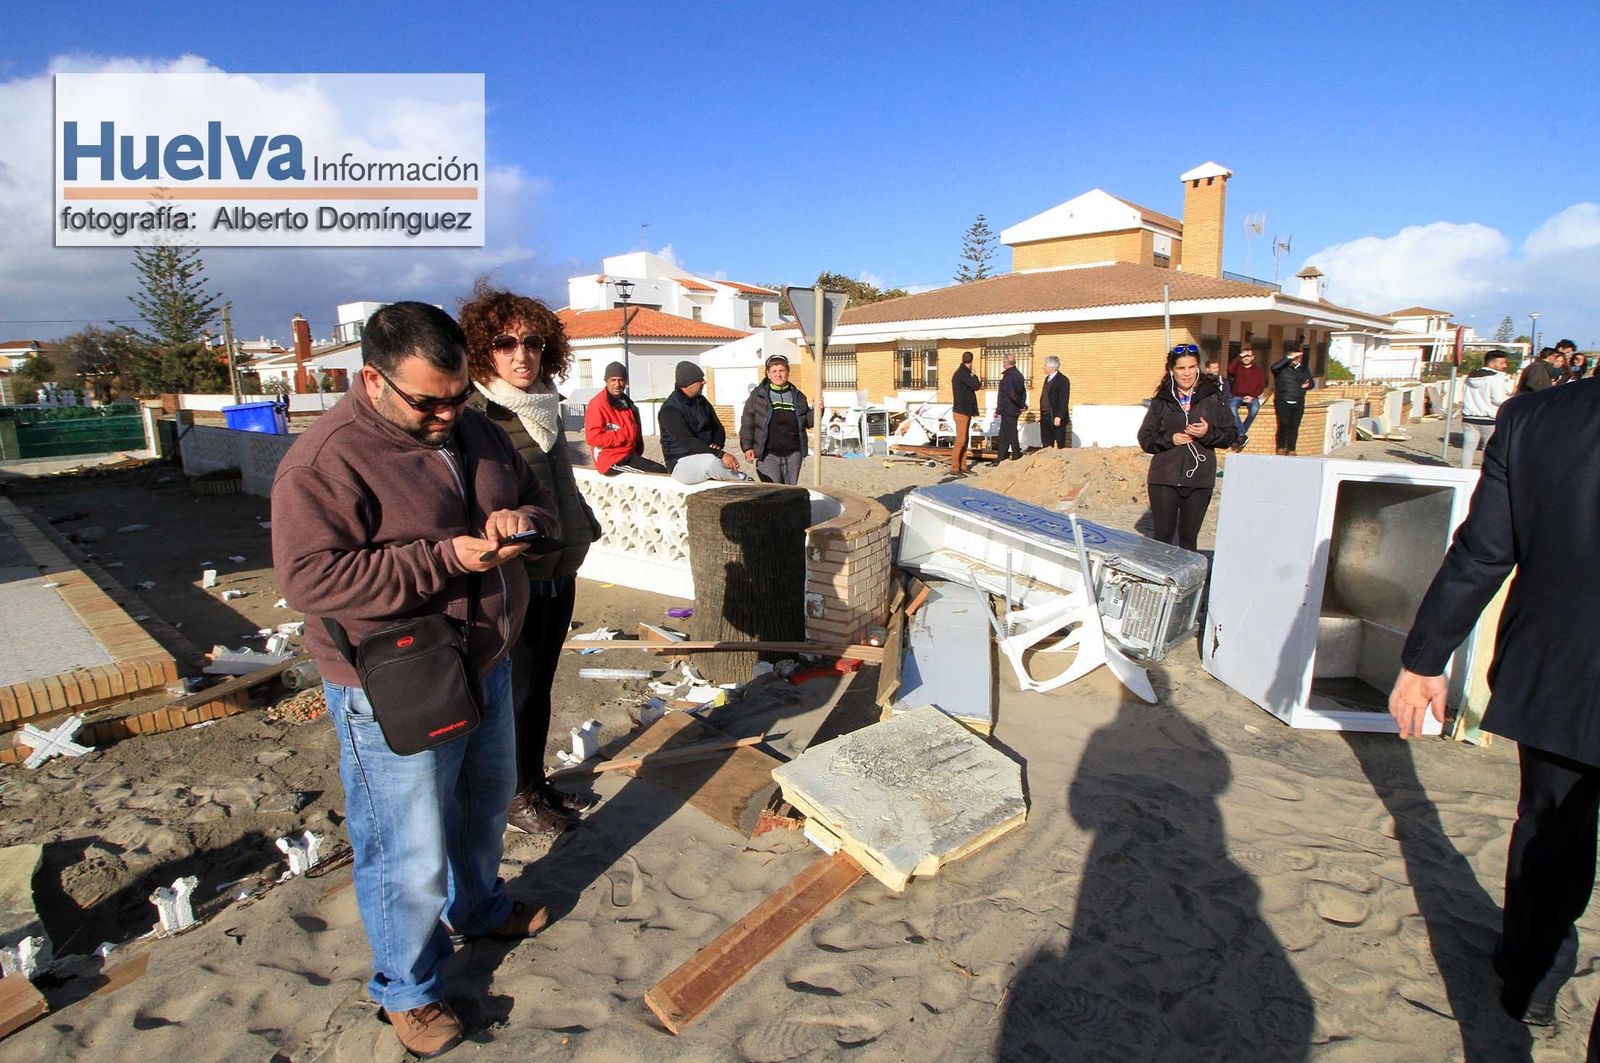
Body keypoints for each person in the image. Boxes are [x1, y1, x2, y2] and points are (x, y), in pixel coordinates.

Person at [272, 302, 557, 1057]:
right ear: (372, 379)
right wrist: (445, 559)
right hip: (393, 681)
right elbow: (308, 577)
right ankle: (408, 987)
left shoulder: (476, 426)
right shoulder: (323, 460)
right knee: (406, 844)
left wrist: (518, 524)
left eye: (458, 396)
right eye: (428, 401)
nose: (446, 414)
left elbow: (535, 498)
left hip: (485, 657)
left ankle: (480, 904)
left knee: (481, 805)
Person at [1388, 373, 1600, 1041]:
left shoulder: (1538, 420)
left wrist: (1424, 659)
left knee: (1551, 828)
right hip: (1563, 673)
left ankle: (1530, 974)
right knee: (1551, 828)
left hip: (1563, 672)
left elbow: (1483, 553)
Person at [459, 282, 603, 839]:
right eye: (504, 342)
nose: (521, 354)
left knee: (540, 686)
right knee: (515, 691)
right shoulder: (477, 414)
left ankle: (534, 783)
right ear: (482, 350)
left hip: (558, 569)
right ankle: (515, 796)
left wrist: (581, 523)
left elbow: (557, 481)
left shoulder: (545, 404)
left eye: (533, 342)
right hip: (513, 575)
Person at [1137, 344, 1237, 552]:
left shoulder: (1213, 397)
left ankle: (1187, 584)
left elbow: (1231, 435)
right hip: (1164, 477)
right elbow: (1145, 438)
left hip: (1200, 478)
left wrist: (1207, 433)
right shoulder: (1162, 401)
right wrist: (1170, 439)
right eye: (1181, 368)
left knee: (1188, 538)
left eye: (1191, 367)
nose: (1187, 373)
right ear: (1172, 370)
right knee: (1163, 537)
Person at [660, 360, 749, 484]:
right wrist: (720, 454)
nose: (704, 382)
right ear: (687, 383)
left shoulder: (701, 402)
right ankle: (743, 481)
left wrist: (717, 444)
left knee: (712, 460)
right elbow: (688, 441)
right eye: (699, 380)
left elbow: (717, 427)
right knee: (711, 463)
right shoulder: (670, 410)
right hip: (681, 462)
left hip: (707, 453)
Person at [739, 352, 813, 484]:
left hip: (793, 453)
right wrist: (747, 447)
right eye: (774, 371)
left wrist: (819, 410)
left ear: (788, 372)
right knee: (773, 491)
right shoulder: (758, 396)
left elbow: (808, 422)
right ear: (768, 373)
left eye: (782, 371)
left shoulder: (798, 396)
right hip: (768, 454)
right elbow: (747, 423)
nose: (778, 375)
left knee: (790, 491)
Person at [585, 361, 665, 474]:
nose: (617, 384)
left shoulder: (627, 403)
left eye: (620, 380)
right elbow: (592, 437)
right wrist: (623, 435)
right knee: (657, 474)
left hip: (628, 456)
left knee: (661, 471)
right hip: (610, 461)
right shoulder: (597, 404)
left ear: (626, 382)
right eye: (613, 380)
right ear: (606, 381)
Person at [1458, 349, 1512, 469]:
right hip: (1489, 418)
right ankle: (1487, 474)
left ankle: (1464, 472)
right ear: (1492, 363)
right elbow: (1497, 398)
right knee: (1490, 450)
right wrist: (1510, 400)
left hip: (1469, 418)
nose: (1505, 366)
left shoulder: (1471, 375)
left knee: (1468, 448)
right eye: (1502, 363)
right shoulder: (1497, 376)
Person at [1270, 344, 1315, 455]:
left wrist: (1307, 386)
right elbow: (1274, 367)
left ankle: (1291, 449)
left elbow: (1311, 383)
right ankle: (1281, 446)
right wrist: (1289, 357)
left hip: (1298, 401)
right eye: (1294, 357)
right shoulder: (1281, 368)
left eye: (1298, 357)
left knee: (1294, 426)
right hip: (1283, 400)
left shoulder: (1303, 369)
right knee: (1284, 424)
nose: (1297, 359)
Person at [1226, 345, 1266, 449]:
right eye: (1244, 356)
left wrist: (1252, 396)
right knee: (1232, 408)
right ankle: (1242, 435)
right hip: (1237, 396)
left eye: (1248, 356)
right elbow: (1229, 369)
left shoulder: (1258, 370)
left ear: (1253, 357)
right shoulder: (1237, 367)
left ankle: (1240, 434)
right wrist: (1239, 356)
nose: (1246, 358)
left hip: (1252, 397)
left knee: (1254, 409)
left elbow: (1261, 386)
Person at [950, 350, 983, 474]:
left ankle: (963, 466)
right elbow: (976, 386)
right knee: (961, 440)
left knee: (964, 439)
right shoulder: (963, 374)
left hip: (964, 410)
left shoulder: (960, 373)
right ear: (972, 361)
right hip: (961, 411)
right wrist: (974, 375)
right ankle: (954, 467)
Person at [994, 351, 1027, 462]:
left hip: (1009, 409)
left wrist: (1021, 404)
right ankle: (1001, 457)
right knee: (1004, 434)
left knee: (1011, 433)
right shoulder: (1018, 375)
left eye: (1004, 361)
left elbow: (1012, 394)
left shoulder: (1010, 376)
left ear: (1005, 363)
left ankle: (1016, 455)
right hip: (1009, 409)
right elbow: (1023, 392)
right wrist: (1022, 404)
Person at [1039, 355, 1071, 448]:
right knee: (1046, 442)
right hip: (1045, 414)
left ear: (1052, 367)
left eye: (1045, 366)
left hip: (1055, 415)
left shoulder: (1062, 380)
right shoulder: (1047, 379)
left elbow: (1064, 399)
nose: (1044, 368)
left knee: (1060, 442)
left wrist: (1059, 416)